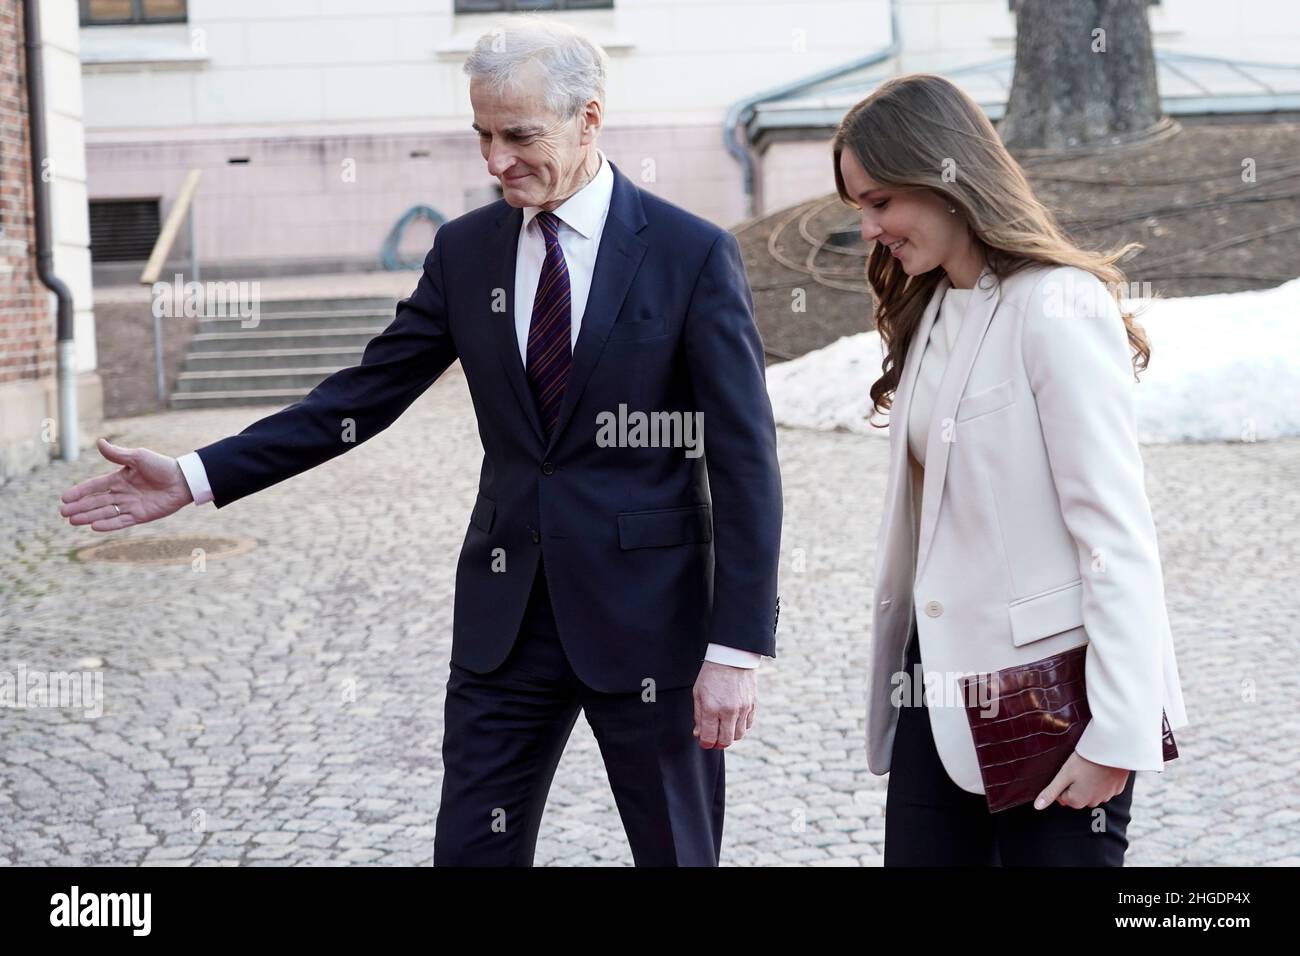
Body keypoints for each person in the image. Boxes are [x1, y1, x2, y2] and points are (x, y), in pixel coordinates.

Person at [59, 20, 782, 867]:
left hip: (653, 624)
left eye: (519, 136)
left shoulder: (692, 255)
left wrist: (735, 649)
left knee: (677, 854)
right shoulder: (466, 252)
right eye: (481, 134)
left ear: (590, 119)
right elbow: (362, 398)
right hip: (505, 625)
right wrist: (194, 474)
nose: (495, 160)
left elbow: (745, 462)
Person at [833, 74, 1188, 865]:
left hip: (1054, 704)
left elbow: (1114, 531)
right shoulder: (928, 312)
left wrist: (1118, 732)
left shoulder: (1055, 304)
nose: (869, 228)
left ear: (944, 174)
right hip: (938, 694)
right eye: (860, 206)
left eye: (881, 200)